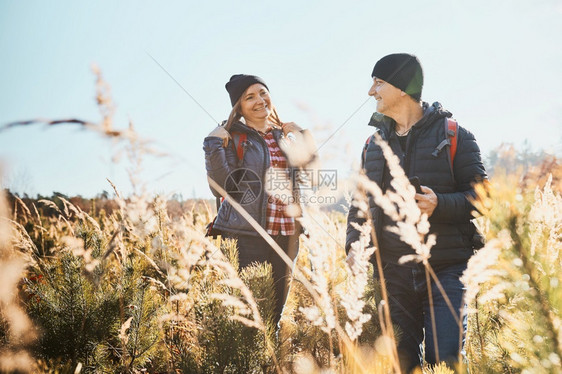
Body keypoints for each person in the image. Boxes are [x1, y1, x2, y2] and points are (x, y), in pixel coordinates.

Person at [345, 53, 487, 371]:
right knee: (400, 365)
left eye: (378, 82)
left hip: (446, 270)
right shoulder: (372, 144)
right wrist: (353, 246)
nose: (371, 91)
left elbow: (483, 196)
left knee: (444, 363)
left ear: (403, 86)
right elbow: (360, 206)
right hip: (392, 276)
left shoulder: (454, 135)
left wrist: (442, 203)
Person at [204, 74, 312, 326]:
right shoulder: (234, 138)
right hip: (247, 237)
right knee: (246, 318)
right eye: (249, 97)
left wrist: (303, 135)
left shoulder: (283, 137)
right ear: (239, 107)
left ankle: (270, 365)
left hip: (287, 237)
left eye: (263, 92)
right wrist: (212, 143)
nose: (259, 100)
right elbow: (222, 188)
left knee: (274, 318)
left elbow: (311, 172)